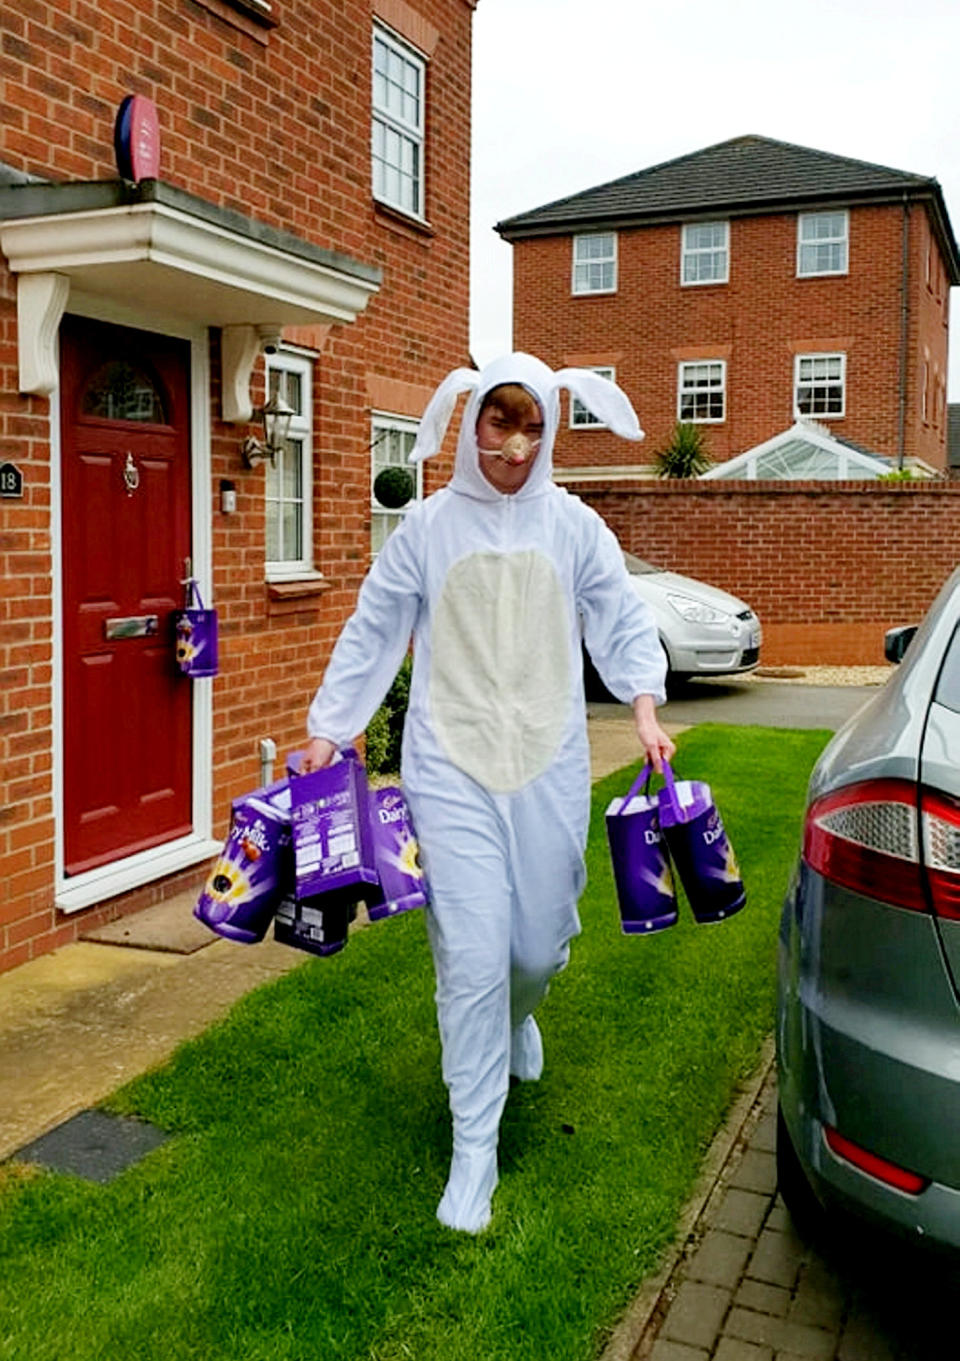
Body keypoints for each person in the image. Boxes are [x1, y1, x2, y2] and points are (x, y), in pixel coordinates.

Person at [301, 353, 675, 1233]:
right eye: (500, 423)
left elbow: (619, 616)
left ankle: (518, 1014)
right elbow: (374, 628)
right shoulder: (427, 529)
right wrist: (329, 725)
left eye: (532, 426)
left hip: (547, 762)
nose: (514, 445)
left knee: (536, 948)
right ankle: (477, 1148)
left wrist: (647, 707)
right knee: (472, 955)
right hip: (451, 767)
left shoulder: (574, 526)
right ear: (470, 423)